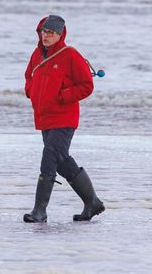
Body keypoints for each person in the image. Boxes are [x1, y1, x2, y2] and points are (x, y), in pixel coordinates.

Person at [22, 15, 105, 223]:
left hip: (64, 117)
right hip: (44, 117)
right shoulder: (37, 54)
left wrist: (62, 96)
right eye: (44, 31)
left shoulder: (70, 55)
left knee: (49, 157)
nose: (46, 36)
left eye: (51, 33)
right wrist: (31, 91)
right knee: (61, 161)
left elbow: (87, 86)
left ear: (60, 35)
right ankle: (92, 202)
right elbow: (28, 76)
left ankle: (39, 211)